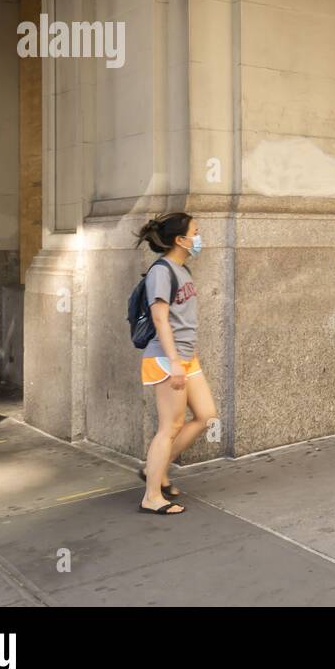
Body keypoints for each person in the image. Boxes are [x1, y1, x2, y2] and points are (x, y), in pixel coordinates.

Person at [135, 212, 219, 516]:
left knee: (206, 415)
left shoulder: (182, 270)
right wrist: (173, 362)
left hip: (186, 355)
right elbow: (160, 319)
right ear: (180, 240)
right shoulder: (162, 271)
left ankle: (155, 470)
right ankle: (152, 496)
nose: (199, 237)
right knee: (169, 427)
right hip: (165, 357)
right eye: (195, 232)